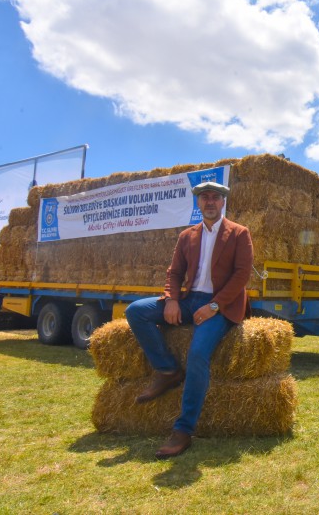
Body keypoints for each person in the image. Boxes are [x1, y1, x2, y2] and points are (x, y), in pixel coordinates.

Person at [125, 180, 253, 459]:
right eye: (204, 197)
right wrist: (171, 299)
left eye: (215, 197)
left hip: (223, 304)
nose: (210, 201)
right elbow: (174, 273)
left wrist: (214, 306)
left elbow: (242, 275)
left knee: (197, 354)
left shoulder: (239, 234)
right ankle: (168, 370)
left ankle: (183, 430)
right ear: (198, 202)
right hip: (189, 298)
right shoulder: (187, 236)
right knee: (136, 311)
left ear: (222, 203)